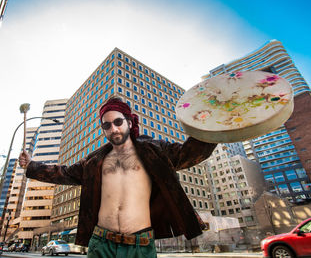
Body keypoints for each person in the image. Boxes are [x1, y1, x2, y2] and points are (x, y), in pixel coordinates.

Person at [19, 97, 216, 258]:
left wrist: (216, 123)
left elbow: (189, 154)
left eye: (118, 122)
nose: (113, 128)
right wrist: (32, 165)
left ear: (129, 122)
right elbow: (64, 173)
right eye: (107, 125)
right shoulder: (95, 160)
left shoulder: (155, 150)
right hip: (100, 244)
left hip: (140, 245)